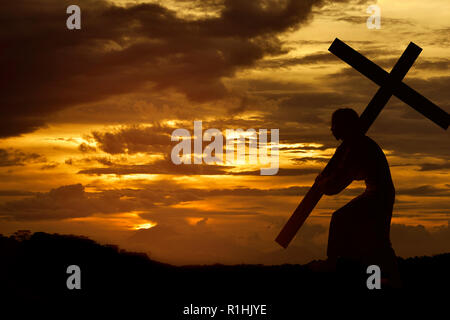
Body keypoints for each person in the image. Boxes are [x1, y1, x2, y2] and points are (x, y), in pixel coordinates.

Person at [314, 108, 400, 287]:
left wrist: (322, 183)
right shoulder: (359, 144)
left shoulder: (356, 147)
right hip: (379, 193)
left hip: (377, 195)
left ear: (343, 126)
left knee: (342, 219)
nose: (332, 129)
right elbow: (350, 172)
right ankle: (385, 281)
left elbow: (336, 184)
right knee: (379, 242)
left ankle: (334, 262)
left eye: (334, 125)